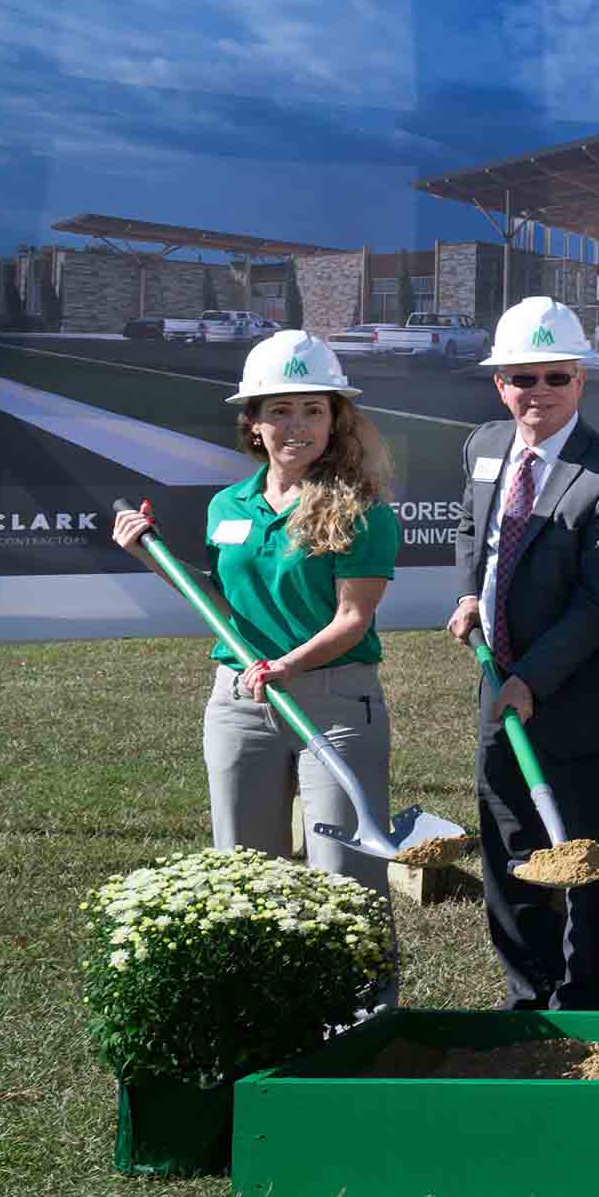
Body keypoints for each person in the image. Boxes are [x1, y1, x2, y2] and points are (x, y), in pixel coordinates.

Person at [111, 331, 403, 904]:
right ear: (254, 424)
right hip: (240, 704)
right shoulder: (228, 505)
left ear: (334, 422)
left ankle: (364, 998)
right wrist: (151, 554)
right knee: (245, 879)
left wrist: (287, 666)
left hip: (335, 703)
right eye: (281, 410)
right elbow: (220, 605)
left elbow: (353, 618)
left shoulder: (363, 509)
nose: (298, 425)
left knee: (344, 882)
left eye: (313, 410)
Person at [449, 295, 599, 1011]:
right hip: (497, 688)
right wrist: (471, 593)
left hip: (582, 701)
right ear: (499, 383)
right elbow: (475, 535)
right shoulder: (481, 447)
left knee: (588, 856)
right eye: (521, 378)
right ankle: (527, 998)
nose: (537, 393)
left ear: (581, 382)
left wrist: (530, 680)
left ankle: (587, 1003)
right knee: (512, 847)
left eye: (554, 378)